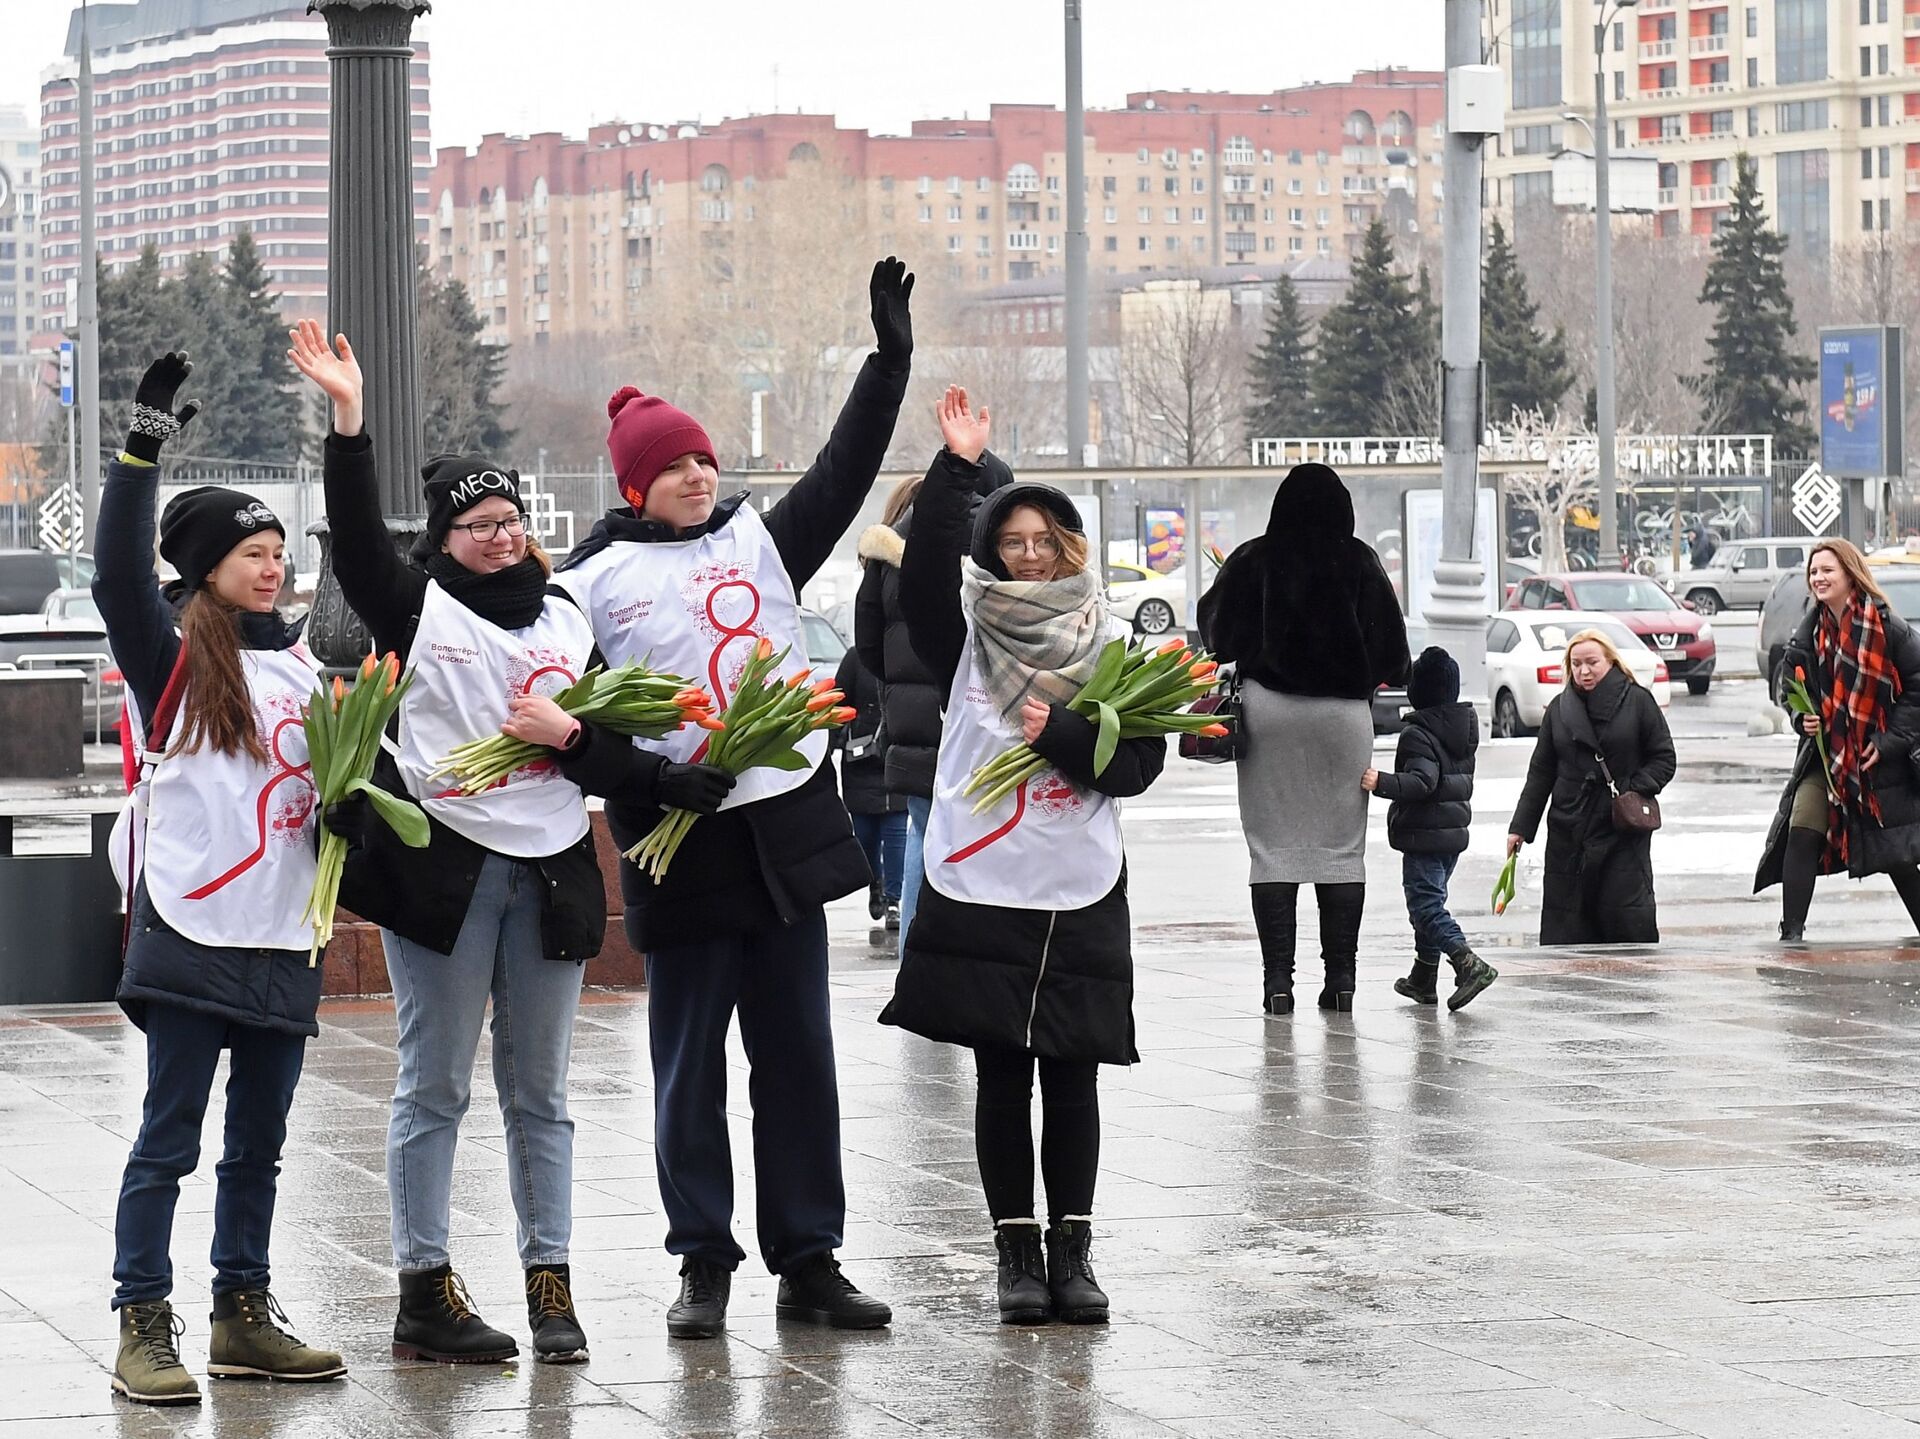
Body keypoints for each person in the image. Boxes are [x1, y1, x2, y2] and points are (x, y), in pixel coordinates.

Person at [550, 257, 914, 1340]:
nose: (699, 477)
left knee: (799, 1056)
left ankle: (810, 1255)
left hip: (784, 830)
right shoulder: (589, 584)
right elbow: (572, 725)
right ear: (633, 487)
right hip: (681, 841)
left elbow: (848, 472)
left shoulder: (761, 539)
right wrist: (656, 775)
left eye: (705, 459)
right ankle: (702, 1258)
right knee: (688, 1063)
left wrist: (888, 363)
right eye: (675, 468)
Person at [290, 318, 642, 1366]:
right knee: (433, 1082)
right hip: (443, 869)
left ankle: (551, 1282)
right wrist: (349, 424)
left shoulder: (570, 614)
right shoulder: (420, 608)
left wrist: (574, 737)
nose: (498, 533)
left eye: (510, 517)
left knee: (541, 1092)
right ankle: (423, 1284)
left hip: (549, 869)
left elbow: (609, 736)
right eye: (477, 521)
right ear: (443, 538)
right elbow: (354, 546)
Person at [881, 386, 1165, 1328]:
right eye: (1013, 541)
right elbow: (920, 574)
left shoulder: (1110, 640)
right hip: (984, 880)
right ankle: (1015, 1255)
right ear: (990, 550)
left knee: (1073, 1071)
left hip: (1077, 883)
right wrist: (958, 469)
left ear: (1071, 547)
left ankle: (1073, 1251)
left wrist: (1064, 733)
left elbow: (1136, 763)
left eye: (1045, 540)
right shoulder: (959, 635)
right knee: (1002, 1073)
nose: (1030, 554)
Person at [94, 352, 345, 1405]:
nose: (273, 565)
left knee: (261, 1145)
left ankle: (245, 1309)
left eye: (280, 549)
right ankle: (143, 1316)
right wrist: (140, 448)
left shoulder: (299, 662)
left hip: (283, 931)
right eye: (253, 550)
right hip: (193, 923)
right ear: (206, 567)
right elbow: (114, 573)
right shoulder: (175, 658)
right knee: (169, 1138)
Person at [1197, 463, 1409, 1014]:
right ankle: (1340, 981)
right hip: (1342, 719)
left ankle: (1277, 984)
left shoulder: (1254, 557)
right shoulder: (1359, 558)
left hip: (1271, 717)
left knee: (1273, 852)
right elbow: (1393, 655)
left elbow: (1217, 636)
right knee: (1341, 852)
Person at [856, 456, 1015, 956]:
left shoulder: (887, 549)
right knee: (988, 846)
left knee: (925, 844)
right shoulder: (989, 548)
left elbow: (867, 648)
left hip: (912, 728)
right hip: (978, 723)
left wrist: (902, 692)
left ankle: (914, 970)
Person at [1757, 540, 1920, 942]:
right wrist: (1800, 718)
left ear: (1850, 572)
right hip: (1824, 756)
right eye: (1814, 572)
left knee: (1894, 851)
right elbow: (1788, 684)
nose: (1819, 578)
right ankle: (1791, 933)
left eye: (1827, 570)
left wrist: (1889, 740)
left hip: (1876, 756)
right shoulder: (1808, 630)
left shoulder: (1886, 625)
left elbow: (1917, 685)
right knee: (1802, 828)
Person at [1506, 630, 1676, 945]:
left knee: (1623, 926)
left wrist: (1629, 790)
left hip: (1620, 827)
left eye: (1592, 663)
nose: (1584, 671)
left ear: (1610, 661)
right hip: (1568, 827)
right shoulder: (1559, 709)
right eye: (1576, 664)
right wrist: (1520, 827)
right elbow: (1541, 772)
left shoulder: (1638, 701)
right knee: (1568, 928)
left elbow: (1664, 759)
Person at [1362, 647, 1497, 1011]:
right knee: (1430, 901)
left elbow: (1422, 782)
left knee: (1425, 907)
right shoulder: (1461, 728)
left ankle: (1468, 963)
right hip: (1450, 834)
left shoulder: (1418, 734)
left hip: (1424, 834)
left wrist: (1382, 782)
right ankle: (1423, 977)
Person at [831, 643, 907, 932]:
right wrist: (830, 744)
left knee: (896, 832)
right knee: (865, 834)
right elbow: (837, 703)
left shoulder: (907, 653)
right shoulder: (856, 658)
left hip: (897, 756)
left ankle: (893, 899)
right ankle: (875, 883)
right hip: (861, 759)